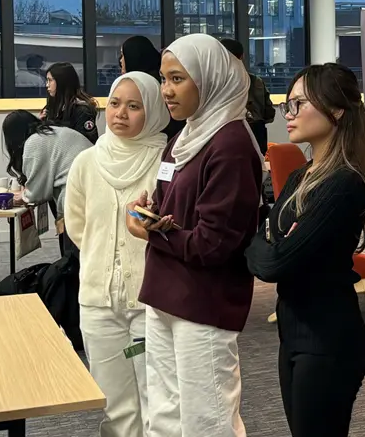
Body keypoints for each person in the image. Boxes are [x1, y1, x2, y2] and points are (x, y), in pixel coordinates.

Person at [125, 33, 263, 437]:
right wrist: (149, 213)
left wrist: (149, 233)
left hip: (203, 299)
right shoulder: (184, 137)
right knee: (164, 415)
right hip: (166, 289)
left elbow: (214, 243)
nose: (166, 91)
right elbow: (175, 211)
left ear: (209, 78)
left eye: (177, 79)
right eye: (163, 79)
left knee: (208, 419)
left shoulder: (231, 143)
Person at [245, 63, 365, 437]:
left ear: (336, 109)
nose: (288, 114)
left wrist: (265, 245)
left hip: (328, 339)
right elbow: (263, 238)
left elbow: (273, 262)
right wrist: (266, 242)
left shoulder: (344, 183)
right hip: (293, 331)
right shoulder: (300, 175)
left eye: (299, 104)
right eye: (287, 104)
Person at [65, 72, 170, 437]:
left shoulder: (166, 163)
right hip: (97, 298)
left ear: (154, 111)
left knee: (158, 401)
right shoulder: (86, 162)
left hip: (151, 301)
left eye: (134, 106)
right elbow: (79, 228)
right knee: (113, 404)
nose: (120, 113)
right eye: (114, 103)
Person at [2, 109, 92, 256]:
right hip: (92, 194)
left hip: (78, 202)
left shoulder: (34, 142)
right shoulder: (53, 132)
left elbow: (36, 194)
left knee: (75, 261)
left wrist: (21, 197)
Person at [120, 35, 186, 140]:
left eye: (123, 55)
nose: (121, 61)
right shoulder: (157, 78)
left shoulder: (145, 85)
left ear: (133, 56)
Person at [221, 38, 276, 155]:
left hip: (227, 138)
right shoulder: (256, 81)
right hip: (257, 136)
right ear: (242, 56)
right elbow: (269, 114)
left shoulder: (216, 84)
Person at [42, 61, 99, 144]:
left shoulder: (82, 110)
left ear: (61, 82)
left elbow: (86, 143)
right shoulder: (53, 106)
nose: (47, 85)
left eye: (50, 80)